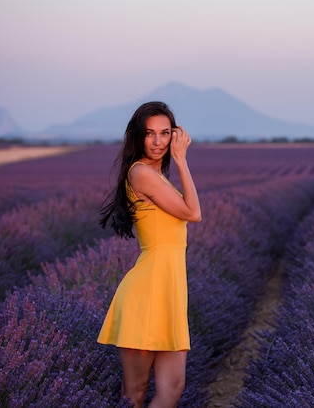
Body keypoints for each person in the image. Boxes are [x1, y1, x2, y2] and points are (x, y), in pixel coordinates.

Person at [98, 101, 201, 407]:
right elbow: (193, 213)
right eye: (150, 133)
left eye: (165, 133)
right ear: (137, 137)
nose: (158, 141)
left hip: (169, 290)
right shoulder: (141, 173)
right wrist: (182, 160)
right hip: (146, 292)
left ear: (174, 134)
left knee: (173, 389)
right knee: (136, 393)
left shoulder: (159, 178)